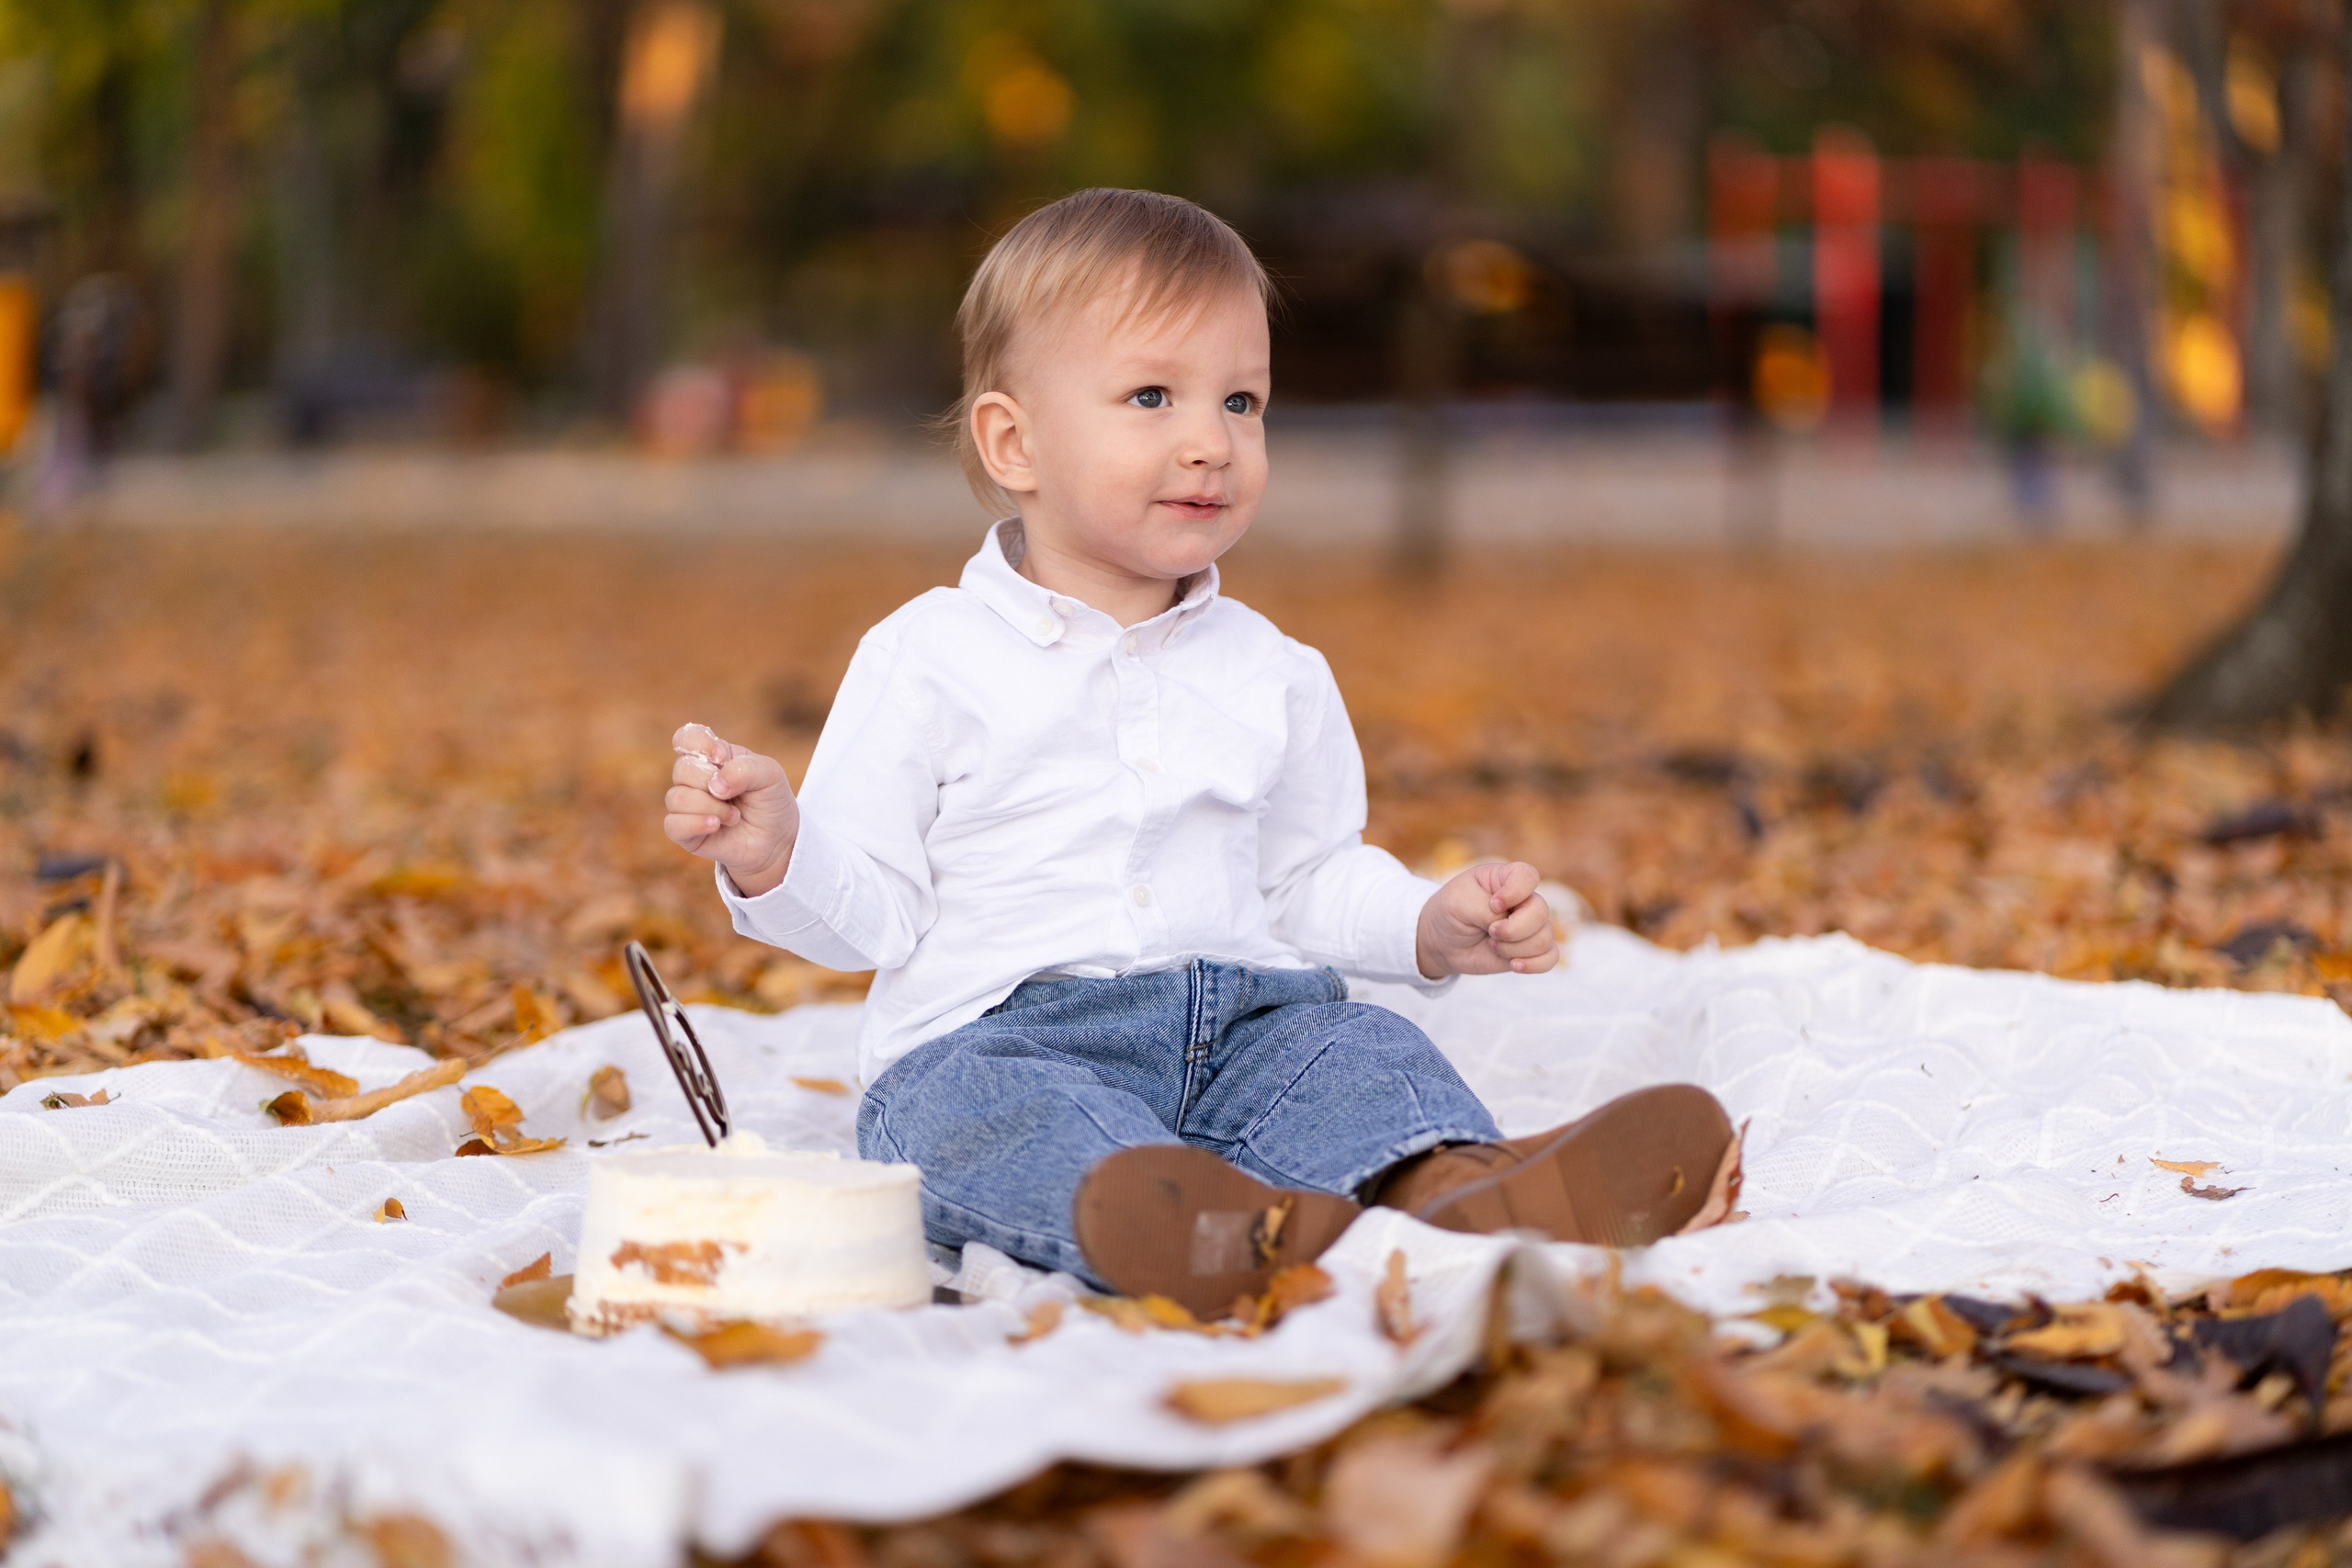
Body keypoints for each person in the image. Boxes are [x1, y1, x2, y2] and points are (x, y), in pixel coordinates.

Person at [662, 189, 1736, 1314]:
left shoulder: (1273, 670)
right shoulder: (927, 656)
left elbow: (1307, 878)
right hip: (1005, 1037)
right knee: (976, 1116)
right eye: (1151, 396)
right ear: (1013, 441)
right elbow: (870, 914)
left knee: (1359, 1049)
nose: (1210, 442)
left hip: (1244, 1030)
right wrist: (776, 852)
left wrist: (1424, 921)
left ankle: (1452, 1185)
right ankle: (1174, 1224)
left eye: (1241, 400)